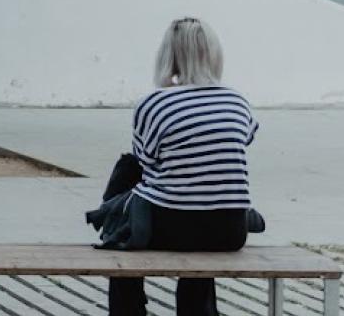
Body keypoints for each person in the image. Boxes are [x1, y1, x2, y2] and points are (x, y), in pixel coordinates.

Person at [105, 18, 258, 316]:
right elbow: (242, 142)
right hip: (229, 231)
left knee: (128, 170)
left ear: (168, 56)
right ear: (214, 54)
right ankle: (198, 311)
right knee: (204, 192)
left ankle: (128, 304)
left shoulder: (153, 103)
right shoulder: (238, 101)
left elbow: (146, 163)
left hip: (170, 227)